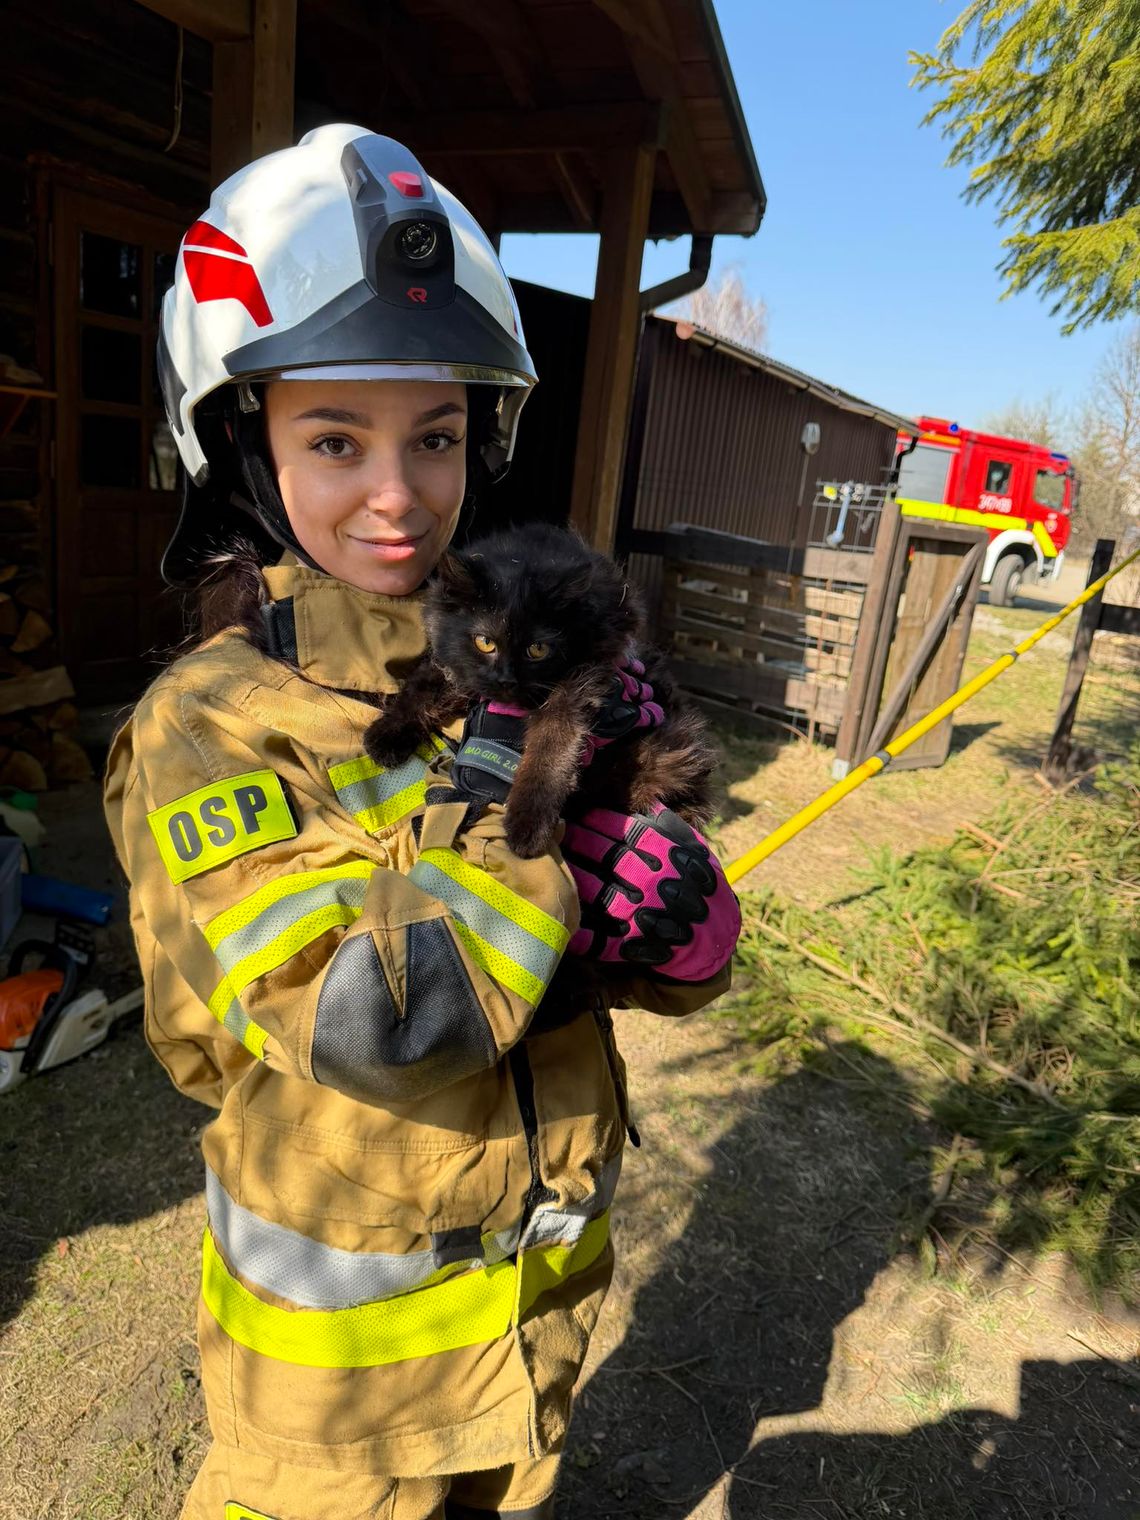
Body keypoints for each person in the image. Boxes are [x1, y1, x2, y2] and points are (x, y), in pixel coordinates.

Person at [104, 124, 740, 1520]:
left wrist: (671, 929)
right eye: (336, 437)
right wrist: (516, 784)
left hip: (531, 1329)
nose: (400, 493)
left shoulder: (484, 661)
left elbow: (558, 951)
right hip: (339, 1407)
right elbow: (381, 1022)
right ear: (234, 442)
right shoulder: (212, 724)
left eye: (438, 434)